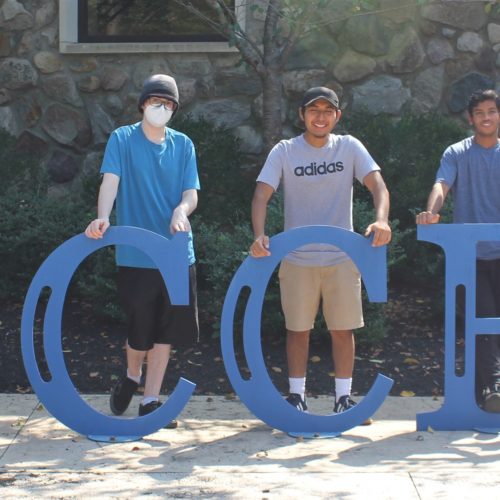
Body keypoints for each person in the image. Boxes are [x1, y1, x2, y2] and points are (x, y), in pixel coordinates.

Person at [250, 87, 391, 417]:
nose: (321, 116)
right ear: (302, 115)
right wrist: (259, 235)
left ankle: (344, 397)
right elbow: (260, 196)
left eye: (328, 110)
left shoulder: (349, 147)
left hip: (342, 258)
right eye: (314, 110)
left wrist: (381, 220)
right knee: (298, 330)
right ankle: (296, 396)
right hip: (298, 259)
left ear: (337, 117)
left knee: (343, 330)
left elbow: (378, 186)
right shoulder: (285, 151)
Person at [85, 74, 200, 427]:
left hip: (177, 253)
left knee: (165, 331)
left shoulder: (183, 145)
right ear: (142, 104)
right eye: (155, 101)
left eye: (167, 103)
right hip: (136, 255)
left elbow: (191, 192)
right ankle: (132, 375)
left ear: (175, 109)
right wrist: (102, 217)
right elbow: (111, 181)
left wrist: (182, 211)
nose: (160, 108)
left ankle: (150, 400)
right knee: (140, 330)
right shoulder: (122, 139)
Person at [416, 89, 500, 413]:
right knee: (481, 324)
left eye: (492, 111)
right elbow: (441, 185)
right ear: (471, 118)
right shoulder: (457, 152)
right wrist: (431, 212)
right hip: (472, 257)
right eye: (480, 112)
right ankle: (491, 391)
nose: (486, 117)